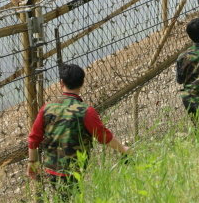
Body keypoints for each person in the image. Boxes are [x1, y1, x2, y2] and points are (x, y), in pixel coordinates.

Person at [27, 64, 130, 196]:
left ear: (61, 83)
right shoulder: (86, 111)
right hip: (74, 169)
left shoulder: (47, 108)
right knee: (71, 195)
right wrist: (123, 149)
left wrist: (32, 163)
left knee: (63, 195)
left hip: (51, 168)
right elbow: (103, 136)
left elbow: (34, 138)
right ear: (82, 83)